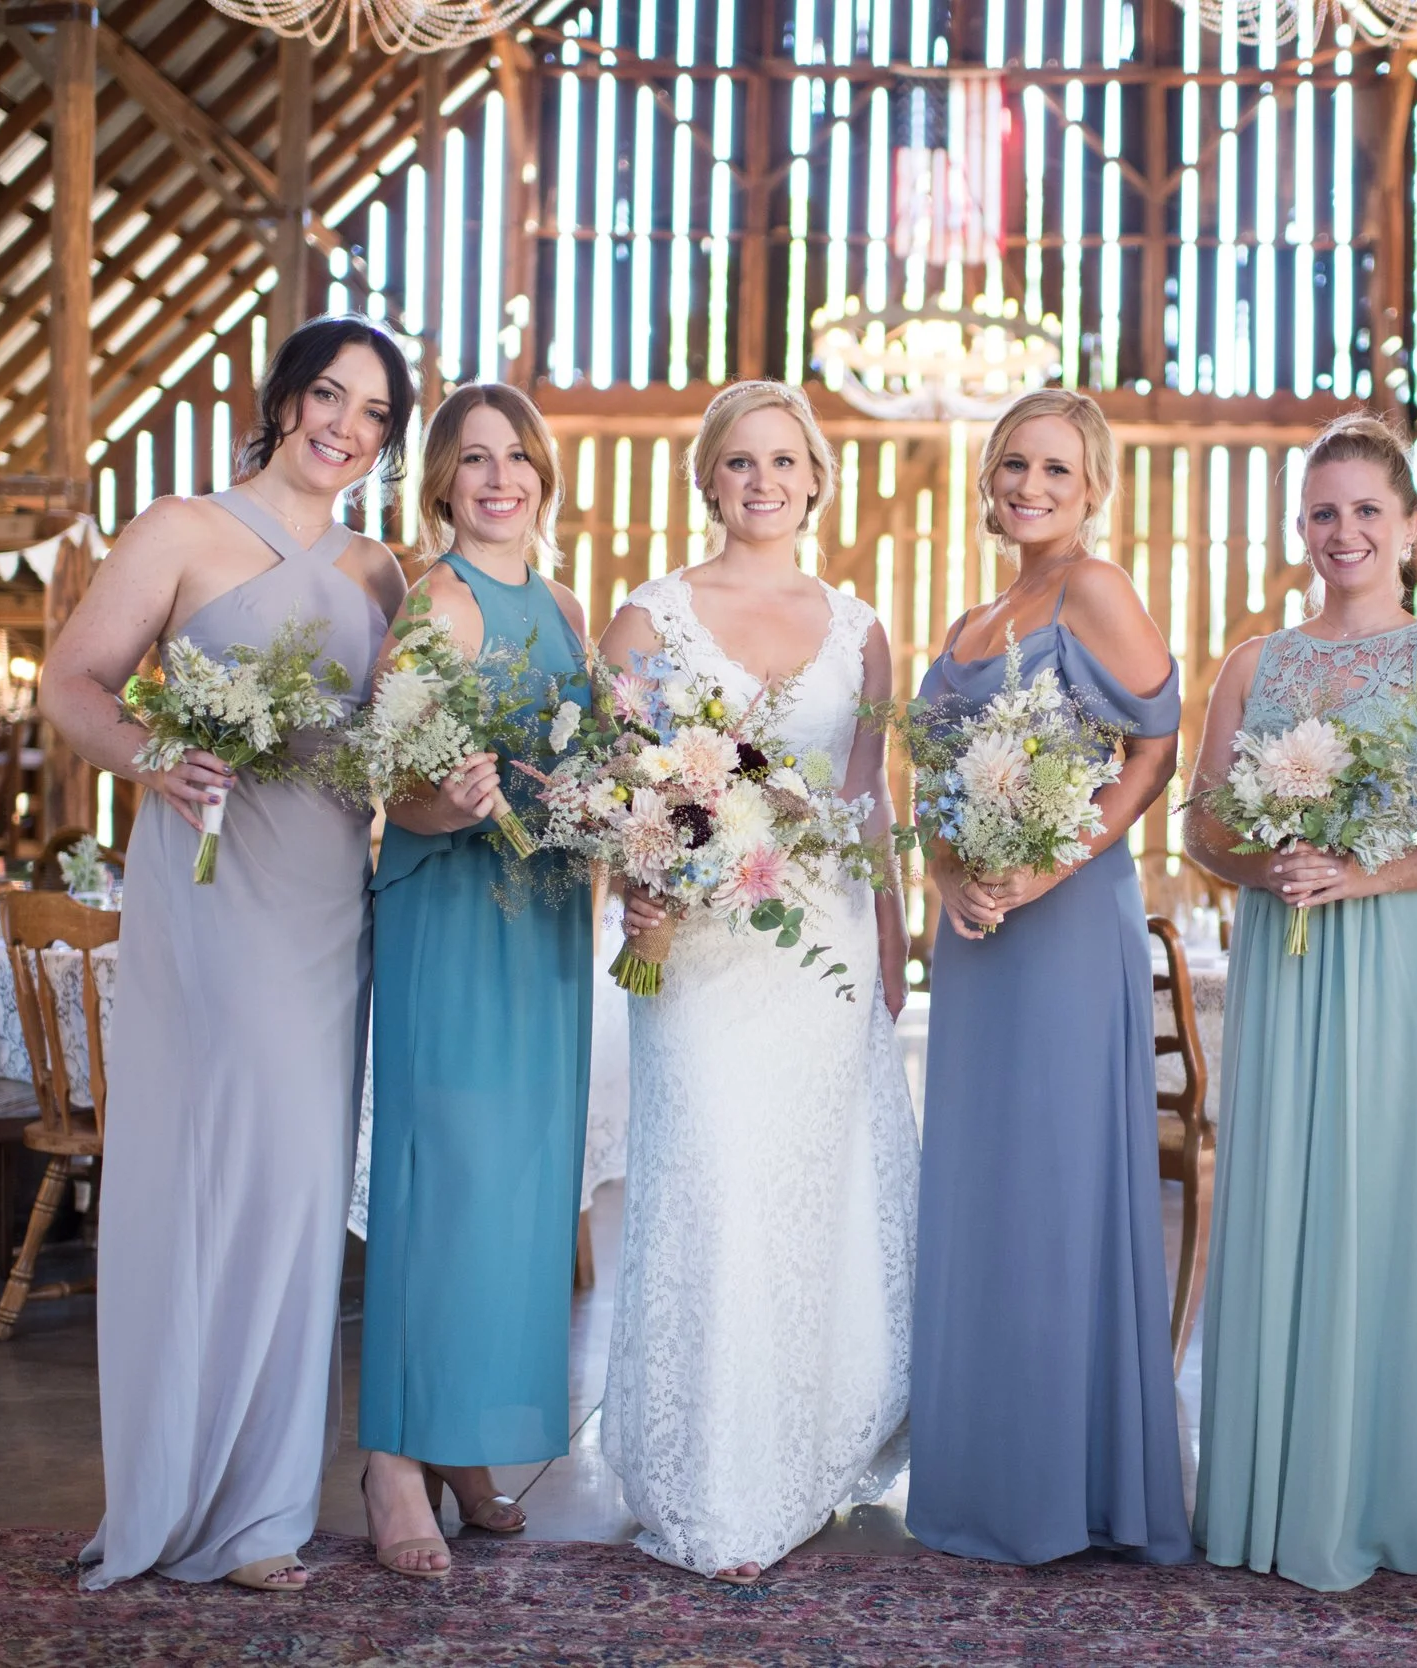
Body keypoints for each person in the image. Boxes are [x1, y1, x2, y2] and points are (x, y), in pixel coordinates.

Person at [42, 316, 412, 1593]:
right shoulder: (180, 530)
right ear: (283, 398)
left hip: (327, 900)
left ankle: (262, 1508)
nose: (346, 427)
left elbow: (402, 741)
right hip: (208, 882)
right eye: (330, 396)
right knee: (206, 1171)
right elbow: (73, 683)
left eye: (374, 413)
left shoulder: (381, 573)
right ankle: (177, 1486)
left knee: (301, 1188)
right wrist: (154, 756)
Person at [1182, 411, 1417, 1589]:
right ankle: (1270, 1497)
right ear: (1300, 527)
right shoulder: (1253, 664)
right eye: (1323, 512)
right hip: (1283, 958)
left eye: (1367, 509)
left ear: (1409, 526)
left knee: (1378, 1200)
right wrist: (1259, 863)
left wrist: (1369, 874)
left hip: (1387, 960)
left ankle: (1374, 1496)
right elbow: (1200, 823)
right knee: (1279, 1194)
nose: (1344, 530)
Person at [598, 379, 916, 1584]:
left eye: (784, 460)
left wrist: (889, 929)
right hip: (698, 950)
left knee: (810, 1199)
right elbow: (616, 789)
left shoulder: (860, 629)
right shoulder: (648, 620)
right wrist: (639, 884)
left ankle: (802, 1456)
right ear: (708, 479)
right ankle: (715, 1481)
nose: (763, 481)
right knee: (716, 1182)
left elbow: (867, 794)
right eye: (740, 461)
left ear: (816, 479)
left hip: (821, 945)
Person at [906, 388, 1190, 1566]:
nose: (1030, 486)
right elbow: (926, 782)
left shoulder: (1095, 589)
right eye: (1014, 465)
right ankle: (981, 1480)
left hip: (1067, 921)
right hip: (976, 939)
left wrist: (1048, 865)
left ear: (1094, 489)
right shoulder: (973, 621)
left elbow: (1155, 744)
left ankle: (1070, 1490)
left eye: (1056, 470)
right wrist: (947, 878)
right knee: (983, 1190)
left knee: (1058, 1189)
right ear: (989, 479)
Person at [355, 383, 594, 1578]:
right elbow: (387, 786)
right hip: (450, 919)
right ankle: (392, 1461)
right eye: (474, 458)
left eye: (518, 457)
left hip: (545, 920)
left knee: (515, 1194)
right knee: (439, 1183)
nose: (499, 479)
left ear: (543, 475)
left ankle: (460, 1440)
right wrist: (445, 802)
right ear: (442, 480)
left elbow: (585, 767)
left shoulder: (565, 607)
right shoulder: (434, 603)